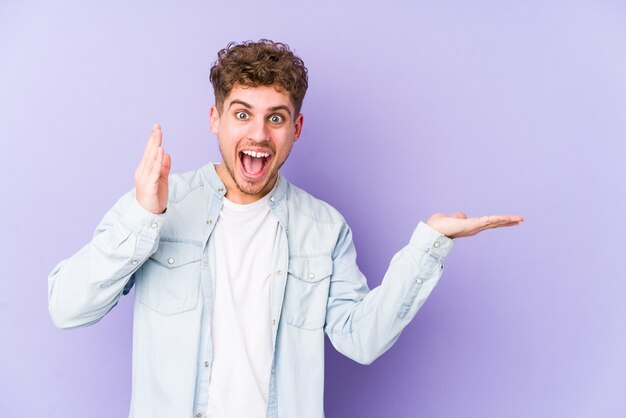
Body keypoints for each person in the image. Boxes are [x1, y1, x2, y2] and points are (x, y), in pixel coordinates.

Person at [48, 40, 523, 418]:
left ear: (295, 129)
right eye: (242, 114)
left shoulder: (323, 228)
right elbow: (67, 308)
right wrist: (143, 217)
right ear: (215, 120)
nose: (257, 134)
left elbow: (360, 340)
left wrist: (429, 244)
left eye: (275, 118)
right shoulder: (157, 203)